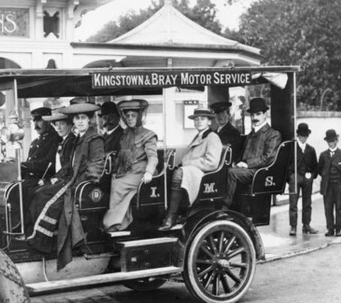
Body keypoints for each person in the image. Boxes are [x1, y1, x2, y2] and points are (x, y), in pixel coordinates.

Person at [55, 103, 105, 270]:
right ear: (73, 121)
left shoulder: (95, 139)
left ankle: (64, 242)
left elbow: (96, 167)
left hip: (84, 185)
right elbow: (70, 166)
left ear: (89, 120)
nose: (80, 121)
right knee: (44, 192)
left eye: (83, 118)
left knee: (52, 199)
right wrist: (57, 178)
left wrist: (77, 182)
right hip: (73, 181)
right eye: (77, 118)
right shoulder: (77, 139)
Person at [101, 99, 159, 232]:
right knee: (113, 179)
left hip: (142, 173)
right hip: (128, 172)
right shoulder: (125, 134)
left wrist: (149, 172)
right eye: (127, 116)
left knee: (118, 184)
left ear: (139, 116)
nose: (130, 118)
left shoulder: (148, 135)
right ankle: (119, 221)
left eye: (133, 115)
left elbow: (153, 156)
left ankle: (115, 224)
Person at [160, 108, 223, 230]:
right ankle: (176, 213)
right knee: (170, 172)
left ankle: (171, 216)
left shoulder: (212, 137)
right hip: (193, 172)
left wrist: (187, 164)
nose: (199, 121)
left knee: (179, 173)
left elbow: (212, 163)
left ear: (209, 122)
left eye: (203, 119)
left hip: (203, 175)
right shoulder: (199, 136)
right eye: (197, 119)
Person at [26, 111, 78, 255]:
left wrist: (54, 179)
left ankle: (44, 240)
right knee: (37, 192)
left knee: (42, 195)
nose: (59, 128)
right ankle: (35, 234)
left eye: (62, 124)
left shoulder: (71, 141)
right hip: (62, 177)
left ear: (69, 125)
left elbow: (69, 167)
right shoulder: (63, 141)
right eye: (56, 125)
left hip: (69, 180)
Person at [222, 97, 283, 209]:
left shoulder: (273, 134)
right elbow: (242, 154)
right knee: (225, 170)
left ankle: (225, 207)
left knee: (232, 173)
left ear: (265, 114)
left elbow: (267, 158)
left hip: (259, 171)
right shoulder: (251, 133)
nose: (255, 117)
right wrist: (236, 163)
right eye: (253, 115)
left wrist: (247, 164)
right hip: (247, 170)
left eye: (258, 114)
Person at [19, 106, 60, 230]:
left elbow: (49, 164)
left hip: (46, 179)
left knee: (24, 191)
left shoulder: (56, 139)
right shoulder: (35, 142)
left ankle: (27, 228)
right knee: (15, 188)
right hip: (32, 180)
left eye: (39, 120)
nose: (35, 124)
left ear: (48, 121)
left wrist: (25, 165)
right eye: (34, 121)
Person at [317, 128, 341, 237]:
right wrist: (325, 176)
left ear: (336, 141)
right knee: (328, 208)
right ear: (327, 142)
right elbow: (319, 169)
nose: (331, 143)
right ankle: (330, 229)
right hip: (327, 186)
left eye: (333, 141)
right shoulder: (323, 155)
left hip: (339, 186)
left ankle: (338, 228)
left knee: (339, 207)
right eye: (329, 141)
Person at [287, 122, 319, 237]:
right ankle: (293, 226)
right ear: (298, 136)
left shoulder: (311, 150)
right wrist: (290, 177)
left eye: (305, 136)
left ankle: (306, 225)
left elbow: (316, 166)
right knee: (293, 203)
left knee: (307, 203)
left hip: (307, 178)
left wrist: (312, 176)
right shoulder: (292, 148)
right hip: (295, 177)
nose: (303, 138)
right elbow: (286, 165)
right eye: (301, 136)